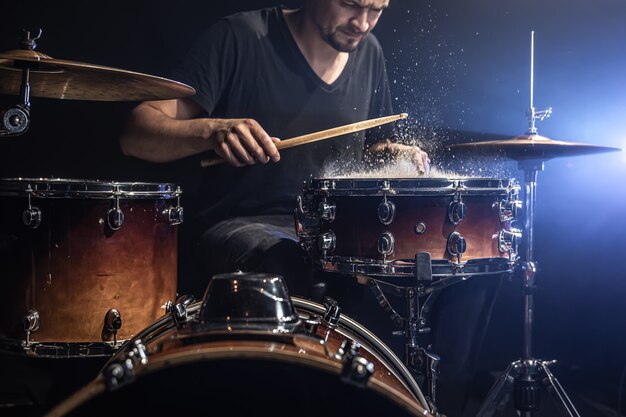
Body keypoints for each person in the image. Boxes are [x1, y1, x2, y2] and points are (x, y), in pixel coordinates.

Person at [118, 2, 494, 416]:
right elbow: (138, 131)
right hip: (244, 225)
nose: (363, 23)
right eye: (351, 4)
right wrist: (211, 130)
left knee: (460, 267)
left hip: (335, 233)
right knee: (287, 259)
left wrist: (394, 154)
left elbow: (366, 150)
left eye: (377, 9)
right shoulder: (241, 37)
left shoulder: (367, 52)